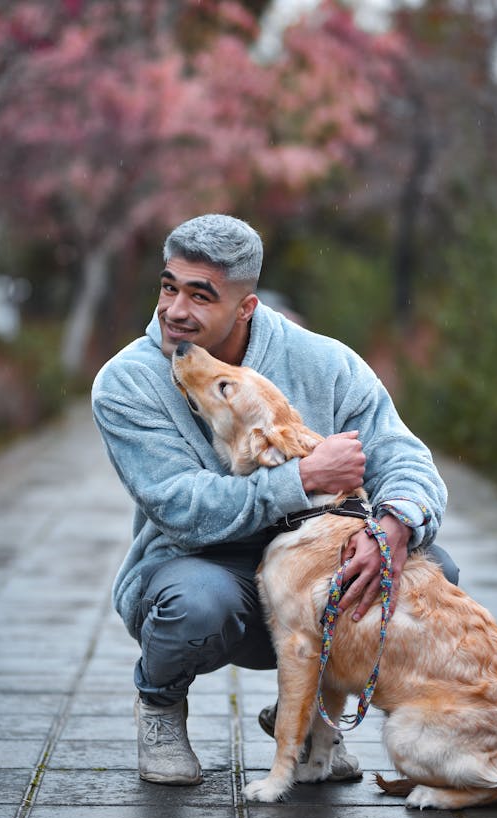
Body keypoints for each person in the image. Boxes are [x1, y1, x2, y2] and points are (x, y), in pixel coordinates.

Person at [92, 213, 457, 787]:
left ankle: (315, 716)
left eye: (199, 295)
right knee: (195, 603)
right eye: (168, 287)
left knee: (423, 569)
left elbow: (404, 458)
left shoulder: (326, 362)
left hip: (313, 566)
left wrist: (394, 523)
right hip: (206, 568)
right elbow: (183, 508)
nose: (174, 310)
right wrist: (303, 477)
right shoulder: (126, 383)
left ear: (246, 307)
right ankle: (160, 705)